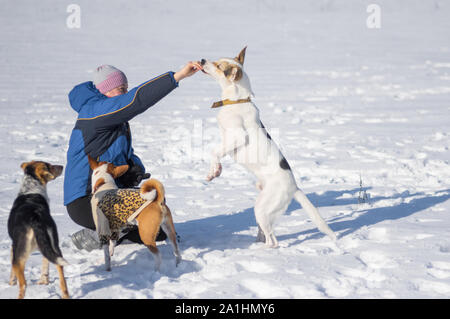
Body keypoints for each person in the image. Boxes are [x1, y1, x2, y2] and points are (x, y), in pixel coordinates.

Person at [65, 62, 201, 251]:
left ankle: (114, 231)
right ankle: (98, 235)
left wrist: (133, 168)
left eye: (126, 89)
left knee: (158, 225)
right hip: (85, 200)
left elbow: (123, 153)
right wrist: (177, 76)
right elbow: (136, 100)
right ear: (105, 90)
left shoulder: (110, 117)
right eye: (121, 89)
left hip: (108, 193)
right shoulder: (96, 112)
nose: (125, 93)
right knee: (150, 215)